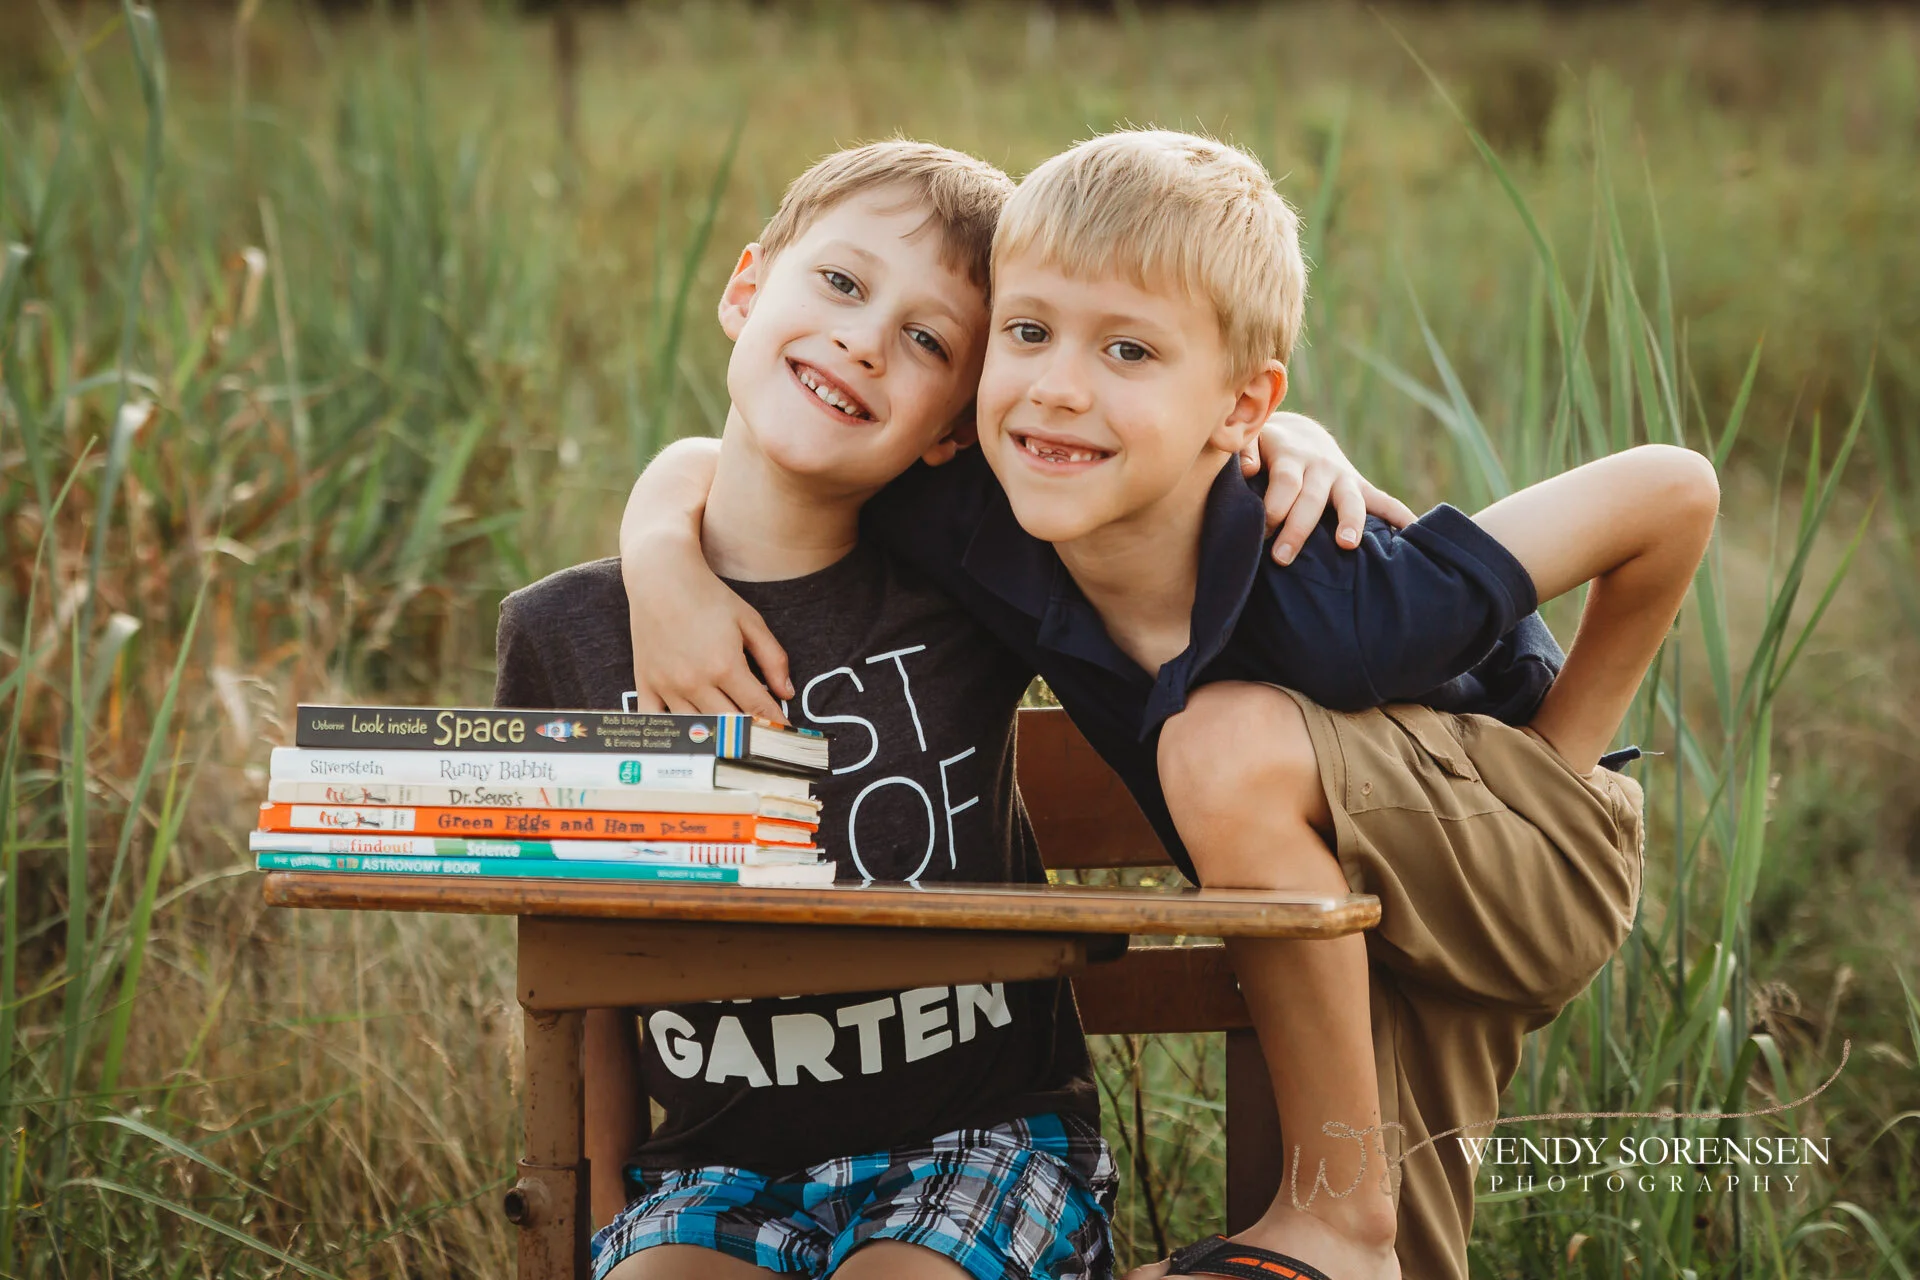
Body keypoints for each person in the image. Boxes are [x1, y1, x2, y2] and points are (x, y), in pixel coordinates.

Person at [616, 130, 1718, 1280]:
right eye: (1027, 333)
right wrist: (662, 562)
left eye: (1128, 349)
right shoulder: (991, 510)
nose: (1059, 386)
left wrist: (1554, 767)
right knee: (1382, 1257)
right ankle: (1344, 1235)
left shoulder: (1339, 586)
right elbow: (748, 449)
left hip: (1533, 853)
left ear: (1241, 407)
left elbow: (1672, 493)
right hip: (1348, 879)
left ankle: (1337, 1214)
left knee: (1218, 744)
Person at [497, 138, 1400, 1280]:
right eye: (840, 282)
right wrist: (601, 1198)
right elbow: (575, 953)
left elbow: (1163, 481)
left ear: (954, 428)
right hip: (713, 1171)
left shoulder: (973, 585)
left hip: (983, 1143)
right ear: (746, 287)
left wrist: (1281, 436)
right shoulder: (563, 632)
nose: (864, 340)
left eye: (927, 341)